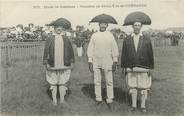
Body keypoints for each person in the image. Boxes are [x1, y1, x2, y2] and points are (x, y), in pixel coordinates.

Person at [121, 21, 154, 113]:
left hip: (144, 66)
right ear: (132, 26)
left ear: (141, 26)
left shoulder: (146, 39)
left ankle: (143, 106)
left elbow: (150, 54)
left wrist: (150, 67)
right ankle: (134, 105)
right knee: (133, 86)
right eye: (135, 25)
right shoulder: (127, 39)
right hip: (131, 67)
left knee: (144, 87)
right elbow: (124, 54)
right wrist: (124, 66)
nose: (137, 27)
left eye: (138, 25)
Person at [43, 20, 74, 106]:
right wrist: (46, 62)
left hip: (64, 63)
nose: (59, 29)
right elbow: (46, 51)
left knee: (62, 82)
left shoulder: (66, 38)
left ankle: (62, 100)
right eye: (57, 27)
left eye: (60, 28)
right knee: (53, 82)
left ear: (63, 29)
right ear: (54, 28)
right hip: (53, 64)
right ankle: (54, 100)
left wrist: (72, 62)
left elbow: (71, 51)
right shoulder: (50, 38)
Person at [87, 22, 119, 106]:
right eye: (101, 24)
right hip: (96, 61)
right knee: (97, 80)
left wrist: (115, 61)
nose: (103, 26)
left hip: (107, 61)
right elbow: (90, 48)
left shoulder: (110, 36)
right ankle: (98, 98)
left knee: (109, 81)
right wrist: (90, 61)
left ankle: (109, 99)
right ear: (99, 25)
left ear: (107, 25)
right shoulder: (94, 35)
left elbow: (114, 48)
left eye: (105, 24)